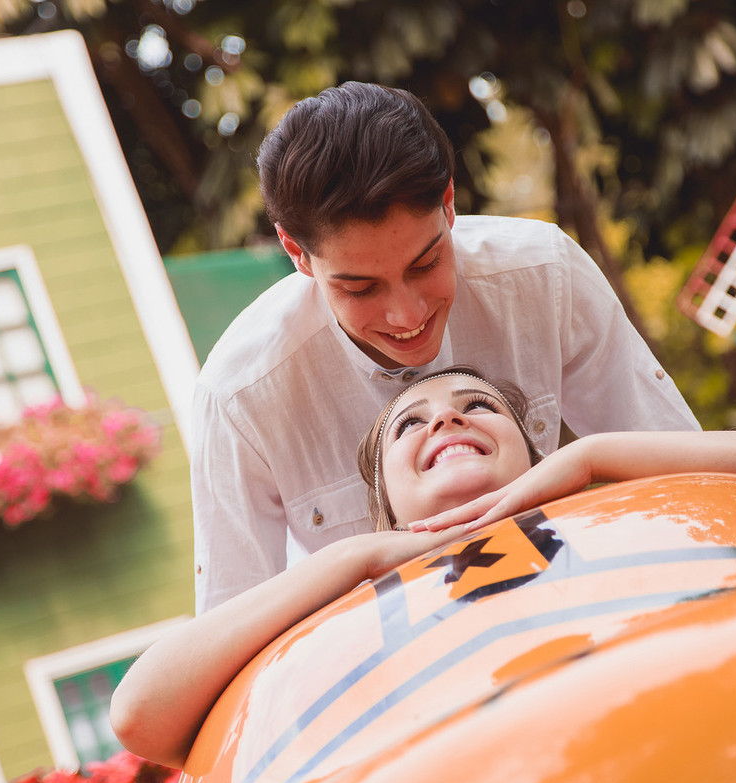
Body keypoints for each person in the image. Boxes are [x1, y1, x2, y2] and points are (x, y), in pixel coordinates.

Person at [112, 367, 736, 768]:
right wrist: (364, 553)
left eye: (477, 406)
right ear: (386, 501)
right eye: (410, 425)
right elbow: (140, 715)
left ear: (530, 451)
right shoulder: (346, 608)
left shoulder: (636, 512)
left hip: (730, 737)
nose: (445, 417)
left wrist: (595, 455)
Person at [191, 81, 700, 614]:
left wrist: (594, 459)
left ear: (449, 202)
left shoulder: (544, 276)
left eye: (426, 263)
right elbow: (229, 635)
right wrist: (356, 563)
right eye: (359, 288)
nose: (407, 316)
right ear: (297, 253)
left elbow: (693, 484)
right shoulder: (240, 397)